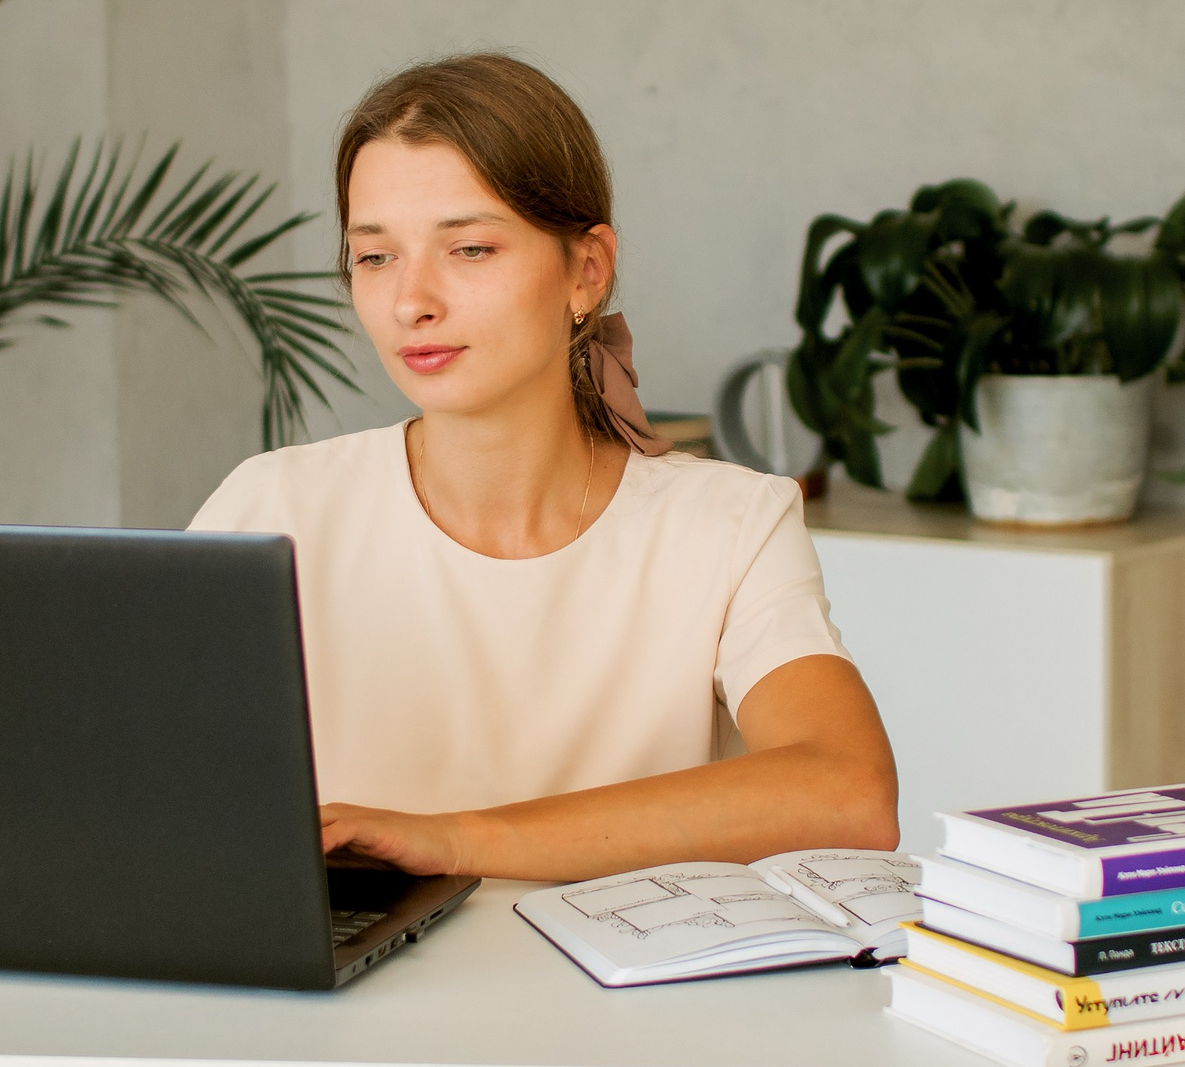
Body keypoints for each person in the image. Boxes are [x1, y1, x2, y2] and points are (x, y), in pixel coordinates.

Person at [189, 53, 898, 881]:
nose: (412, 301)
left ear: (586, 271)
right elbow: (127, 779)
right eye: (375, 256)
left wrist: (456, 842)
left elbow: (848, 791)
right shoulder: (274, 508)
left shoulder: (729, 526)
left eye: (470, 249)